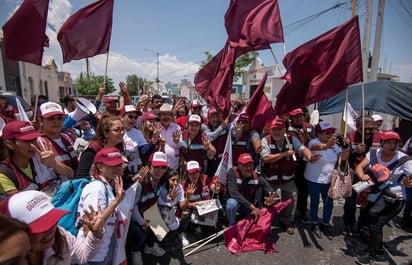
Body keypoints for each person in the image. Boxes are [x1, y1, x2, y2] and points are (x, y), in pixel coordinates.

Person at [0, 190, 112, 265]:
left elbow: (82, 255)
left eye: (51, 220)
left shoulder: (61, 236)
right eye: (40, 226)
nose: (50, 229)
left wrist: (96, 234)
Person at [354, 130, 412, 264]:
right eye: (389, 143)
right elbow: (360, 167)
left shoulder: (404, 159)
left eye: (395, 143)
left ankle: (371, 255)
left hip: (394, 199)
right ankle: (378, 249)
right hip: (374, 196)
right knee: (373, 223)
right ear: (382, 143)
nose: (392, 146)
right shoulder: (373, 153)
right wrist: (362, 176)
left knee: (375, 225)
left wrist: (409, 183)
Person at [261, 118, 320, 235]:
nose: (277, 133)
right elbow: (266, 158)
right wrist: (283, 154)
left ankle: (287, 221)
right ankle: (266, 222)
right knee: (268, 201)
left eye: (279, 129)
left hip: (287, 178)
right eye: (274, 130)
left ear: (284, 130)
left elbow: (303, 149)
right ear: (271, 130)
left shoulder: (291, 140)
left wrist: (310, 157)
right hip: (270, 179)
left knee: (292, 196)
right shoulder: (266, 140)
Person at [77, 147, 135, 265]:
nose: (117, 168)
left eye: (119, 164)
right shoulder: (97, 189)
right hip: (92, 256)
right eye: (112, 165)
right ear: (99, 167)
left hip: (100, 252)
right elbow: (88, 228)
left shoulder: (105, 187)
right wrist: (115, 203)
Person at [0, 121, 73, 197]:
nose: (33, 145)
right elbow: (18, 204)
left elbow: (71, 174)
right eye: (26, 141)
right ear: (10, 144)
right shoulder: (4, 174)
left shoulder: (41, 156)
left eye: (34, 140)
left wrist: (53, 163)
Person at [304, 121, 350, 239]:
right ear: (319, 134)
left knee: (329, 203)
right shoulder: (313, 142)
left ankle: (325, 223)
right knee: (314, 202)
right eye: (327, 133)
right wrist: (326, 146)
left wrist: (346, 147)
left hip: (329, 180)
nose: (330, 135)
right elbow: (314, 147)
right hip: (314, 179)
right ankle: (314, 223)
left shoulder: (335, 146)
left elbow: (343, 157)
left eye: (332, 133)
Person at [343, 116, 381, 236]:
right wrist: (355, 151)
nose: (368, 132)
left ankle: (362, 227)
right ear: (357, 127)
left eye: (371, 128)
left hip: (371, 178)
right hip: (354, 176)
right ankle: (348, 224)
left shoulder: (379, 138)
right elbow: (344, 157)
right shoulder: (351, 136)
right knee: (350, 202)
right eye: (364, 129)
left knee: (366, 203)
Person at [131, 151, 169, 258]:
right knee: (139, 235)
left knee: (160, 229)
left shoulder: (161, 181)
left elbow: (163, 196)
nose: (159, 170)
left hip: (149, 212)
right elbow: (133, 207)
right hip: (135, 216)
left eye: (163, 167)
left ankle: (150, 247)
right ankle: (135, 252)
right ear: (149, 166)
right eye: (156, 166)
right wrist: (142, 222)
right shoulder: (140, 183)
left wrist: (170, 197)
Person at [226, 153, 279, 226]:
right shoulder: (232, 172)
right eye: (245, 166)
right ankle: (231, 225)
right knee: (231, 203)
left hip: (249, 206)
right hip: (240, 205)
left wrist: (272, 199)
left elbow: (270, 190)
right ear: (239, 166)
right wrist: (252, 207)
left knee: (258, 224)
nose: (248, 168)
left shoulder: (257, 176)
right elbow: (233, 193)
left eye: (250, 165)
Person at [156, 170, 192, 264]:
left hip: (171, 212)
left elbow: (182, 206)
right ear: (167, 179)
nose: (175, 183)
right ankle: (159, 242)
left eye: (177, 180)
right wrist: (169, 198)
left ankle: (169, 239)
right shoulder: (161, 187)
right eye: (172, 180)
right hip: (158, 212)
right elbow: (163, 200)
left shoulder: (179, 187)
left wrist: (188, 197)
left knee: (175, 224)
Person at [179, 161, 220, 245]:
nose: (194, 175)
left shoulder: (205, 179)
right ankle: (183, 232)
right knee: (185, 214)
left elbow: (213, 188)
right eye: (191, 173)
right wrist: (189, 201)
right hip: (193, 212)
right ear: (187, 174)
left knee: (209, 233)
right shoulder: (183, 185)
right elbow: (181, 205)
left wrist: (216, 188)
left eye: (196, 172)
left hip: (206, 210)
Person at [287, 108, 316, 224]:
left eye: (301, 116)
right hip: (289, 161)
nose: (299, 118)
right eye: (296, 116)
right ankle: (288, 212)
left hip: (305, 162)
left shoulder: (309, 127)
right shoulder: (286, 126)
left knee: (304, 189)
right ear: (291, 118)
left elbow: (315, 143)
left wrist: (308, 138)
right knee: (290, 189)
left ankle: (302, 211)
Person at [76, 115, 125, 179]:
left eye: (123, 129)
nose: (122, 132)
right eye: (117, 130)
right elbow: (81, 176)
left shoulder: (119, 148)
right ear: (105, 133)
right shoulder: (92, 149)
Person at [39, 102, 78, 177]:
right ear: (41, 120)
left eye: (60, 118)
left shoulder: (66, 137)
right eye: (51, 118)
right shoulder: (40, 142)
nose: (56, 122)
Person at [155, 103, 182, 170]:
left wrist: (177, 141)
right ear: (159, 116)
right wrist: (155, 137)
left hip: (173, 164)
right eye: (164, 115)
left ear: (171, 116)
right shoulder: (156, 127)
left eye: (168, 114)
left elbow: (179, 146)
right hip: (159, 165)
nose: (166, 117)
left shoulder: (176, 127)